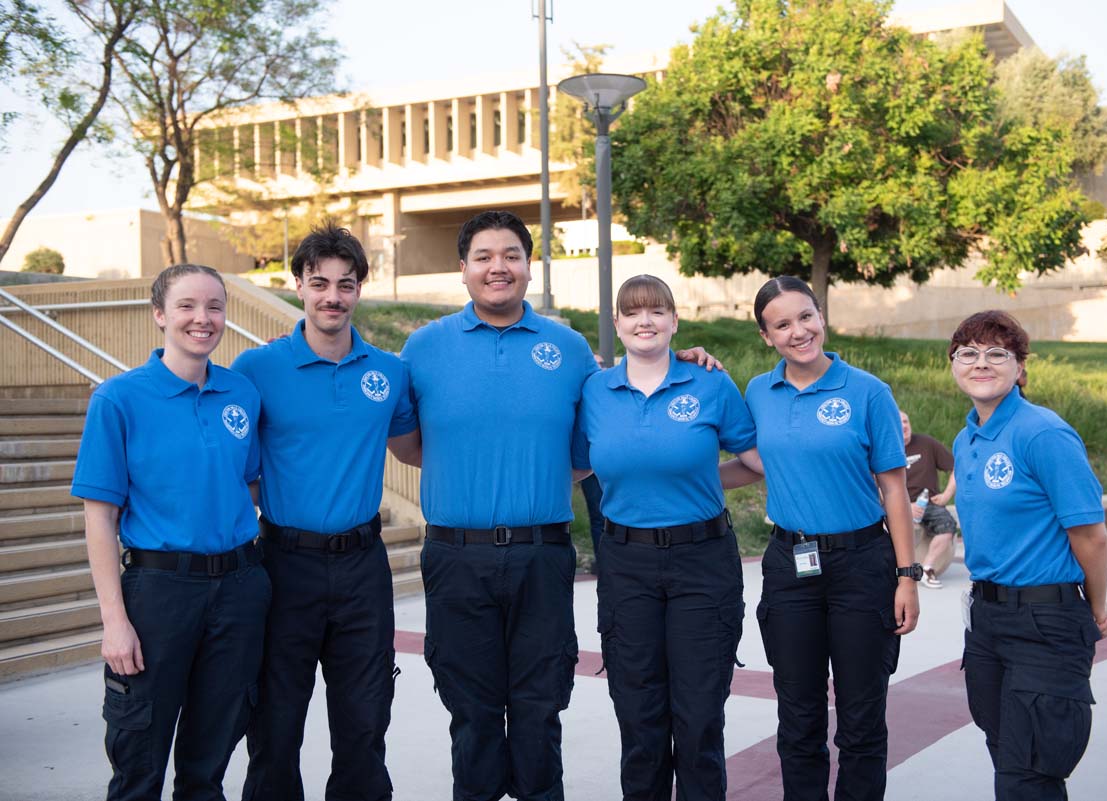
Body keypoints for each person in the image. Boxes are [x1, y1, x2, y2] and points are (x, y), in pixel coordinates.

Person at [397, 210, 720, 801]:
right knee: (470, 713)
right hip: (454, 556)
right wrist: (467, 473)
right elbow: (409, 443)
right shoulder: (423, 348)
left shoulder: (567, 349)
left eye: (513, 255)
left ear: (528, 265)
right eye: (485, 256)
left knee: (539, 707)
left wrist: (687, 359)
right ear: (462, 268)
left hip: (541, 556)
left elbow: (601, 431)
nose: (500, 267)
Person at [235, 223, 419, 801]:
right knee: (275, 721)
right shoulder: (256, 369)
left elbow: (417, 448)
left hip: (363, 566)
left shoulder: (387, 373)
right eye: (319, 283)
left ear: (360, 288)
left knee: (365, 721)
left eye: (345, 284)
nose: (332, 296)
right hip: (283, 564)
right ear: (298, 286)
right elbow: (231, 464)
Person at [73, 264, 270, 800]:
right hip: (159, 593)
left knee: (209, 760)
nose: (202, 319)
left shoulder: (241, 394)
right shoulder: (118, 400)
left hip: (237, 588)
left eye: (214, 306)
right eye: (186, 306)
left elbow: (246, 483)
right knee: (139, 760)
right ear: (159, 314)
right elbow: (99, 516)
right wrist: (115, 621)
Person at [720, 276, 919, 801]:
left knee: (860, 716)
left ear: (822, 317)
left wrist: (906, 576)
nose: (798, 331)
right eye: (782, 324)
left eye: (805, 316)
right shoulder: (759, 392)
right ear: (766, 337)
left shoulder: (867, 391)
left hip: (862, 564)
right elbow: (757, 463)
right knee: (798, 714)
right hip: (791, 566)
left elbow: (894, 489)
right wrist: (683, 475)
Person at [572, 275, 757, 801]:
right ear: (617, 325)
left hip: (702, 561)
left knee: (699, 717)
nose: (645, 321)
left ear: (676, 322)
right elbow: (576, 467)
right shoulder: (595, 391)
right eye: (632, 313)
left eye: (657, 311)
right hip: (626, 562)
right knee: (639, 715)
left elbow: (755, 460)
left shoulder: (710, 384)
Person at [948, 310, 1107, 801]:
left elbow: (1091, 536)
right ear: (953, 364)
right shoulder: (966, 437)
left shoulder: (1043, 433)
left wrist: (1096, 608)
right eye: (968, 353)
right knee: (1007, 753)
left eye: (997, 353)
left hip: (1046, 620)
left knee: (1030, 771)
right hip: (987, 620)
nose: (981, 363)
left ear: (1020, 367)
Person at [900, 410, 957, 588]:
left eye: (905, 422)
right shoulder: (884, 448)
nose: (903, 426)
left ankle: (926, 568)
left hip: (929, 503)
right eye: (898, 422)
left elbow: (957, 468)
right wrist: (907, 506)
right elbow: (876, 486)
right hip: (899, 504)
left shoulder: (926, 443)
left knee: (948, 526)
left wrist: (947, 494)